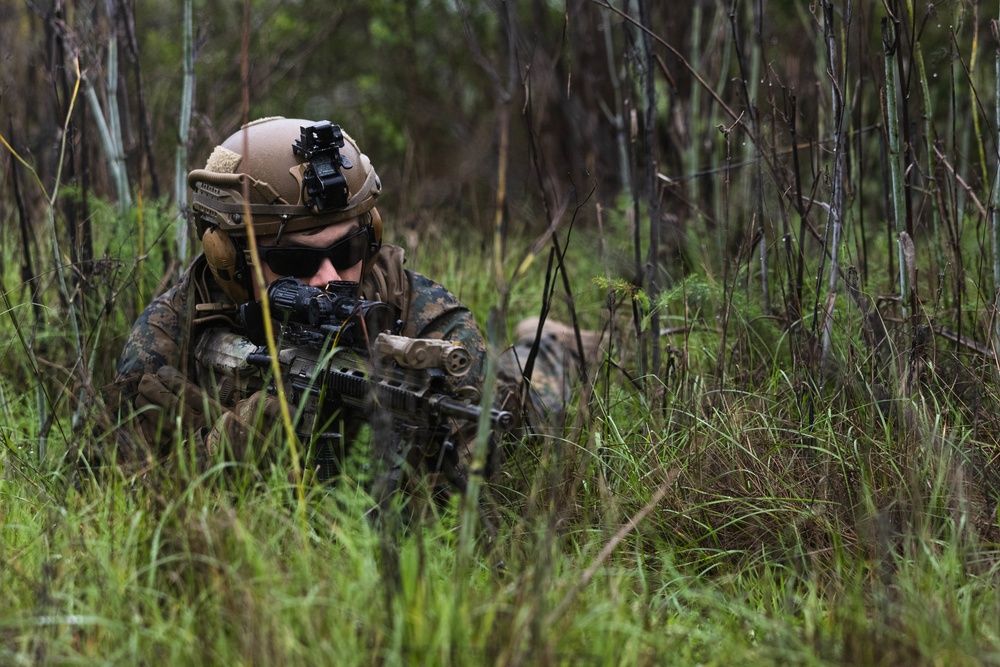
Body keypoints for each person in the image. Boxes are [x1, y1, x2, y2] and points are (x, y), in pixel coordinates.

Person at [101, 116, 603, 495]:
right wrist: (235, 446)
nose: (329, 278)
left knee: (533, 393)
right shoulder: (171, 334)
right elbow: (120, 496)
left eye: (346, 252)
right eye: (293, 260)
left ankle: (550, 341)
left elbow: (475, 482)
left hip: (515, 391)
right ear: (227, 256)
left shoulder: (426, 315)